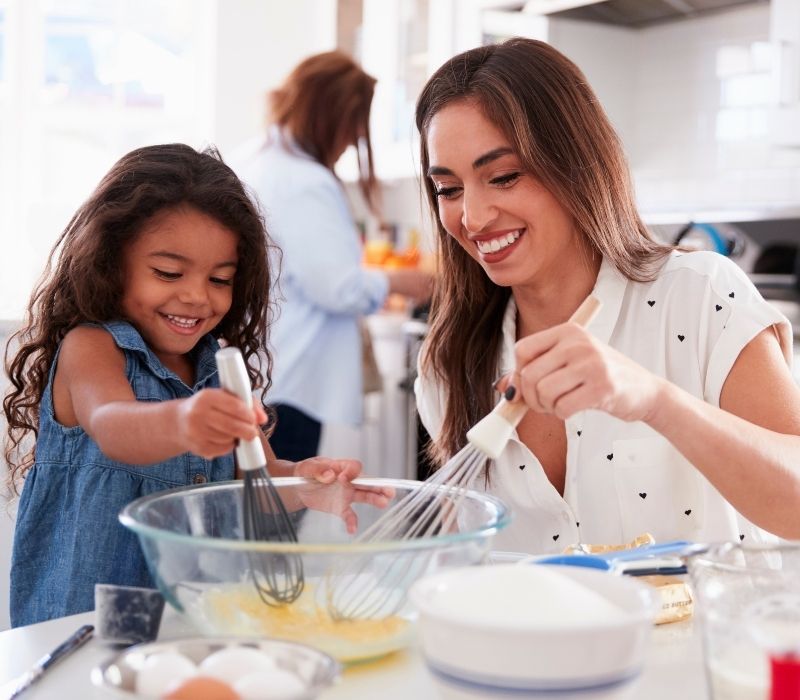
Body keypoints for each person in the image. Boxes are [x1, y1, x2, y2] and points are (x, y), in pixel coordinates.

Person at [413, 38, 800, 555]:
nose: (474, 218)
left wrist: (656, 400)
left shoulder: (700, 297)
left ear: (574, 163)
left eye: (503, 177)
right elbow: (468, 560)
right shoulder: (448, 363)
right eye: (449, 189)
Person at [4, 144, 387, 627]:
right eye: (168, 273)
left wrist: (307, 485)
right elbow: (113, 425)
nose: (196, 296)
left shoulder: (221, 368)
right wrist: (183, 421)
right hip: (83, 628)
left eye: (220, 279)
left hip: (187, 621)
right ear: (110, 261)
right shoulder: (92, 348)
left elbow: (257, 479)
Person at [234, 51, 432, 462]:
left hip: (268, 373)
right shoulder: (305, 182)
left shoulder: (259, 161)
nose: (351, 143)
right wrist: (398, 282)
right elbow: (336, 288)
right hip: (292, 382)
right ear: (334, 117)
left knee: (259, 515)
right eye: (353, 128)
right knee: (278, 515)